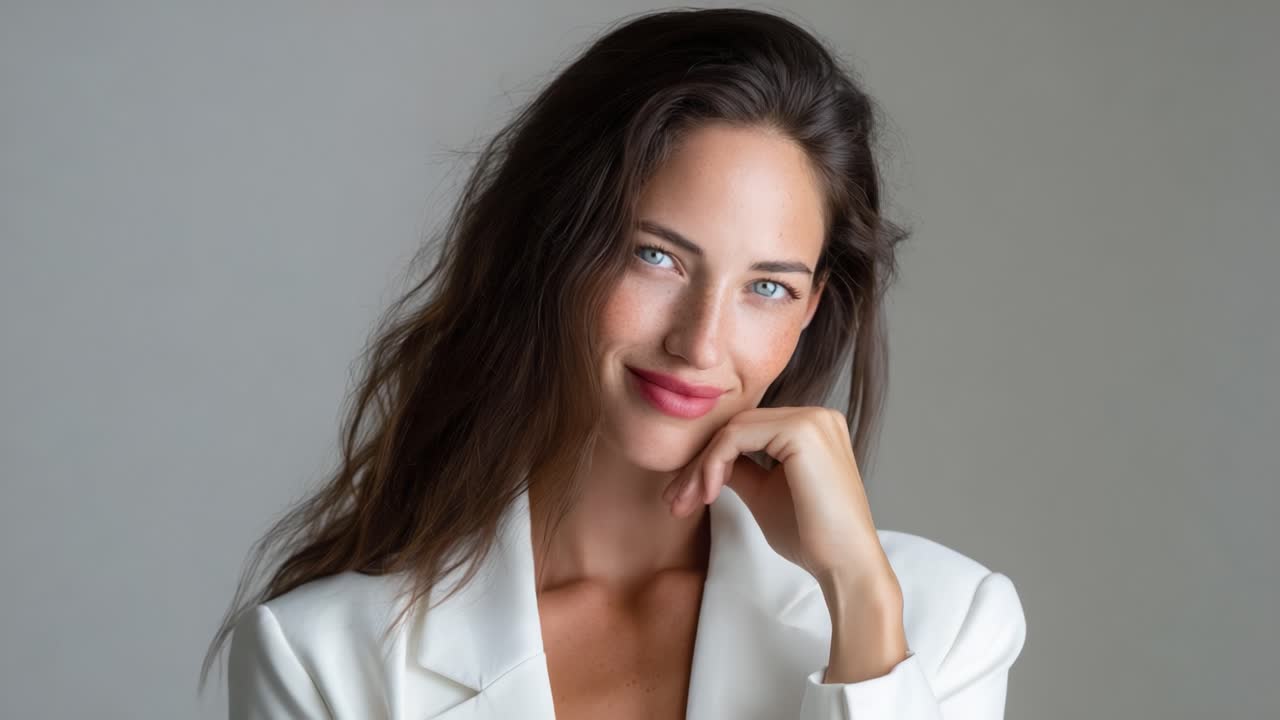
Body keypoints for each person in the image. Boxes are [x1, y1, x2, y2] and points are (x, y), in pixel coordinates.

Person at [200, 7, 1027, 719]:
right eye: (656, 257)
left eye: (767, 286)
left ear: (811, 312)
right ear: (552, 247)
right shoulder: (323, 659)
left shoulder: (938, 621)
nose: (701, 342)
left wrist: (860, 598)